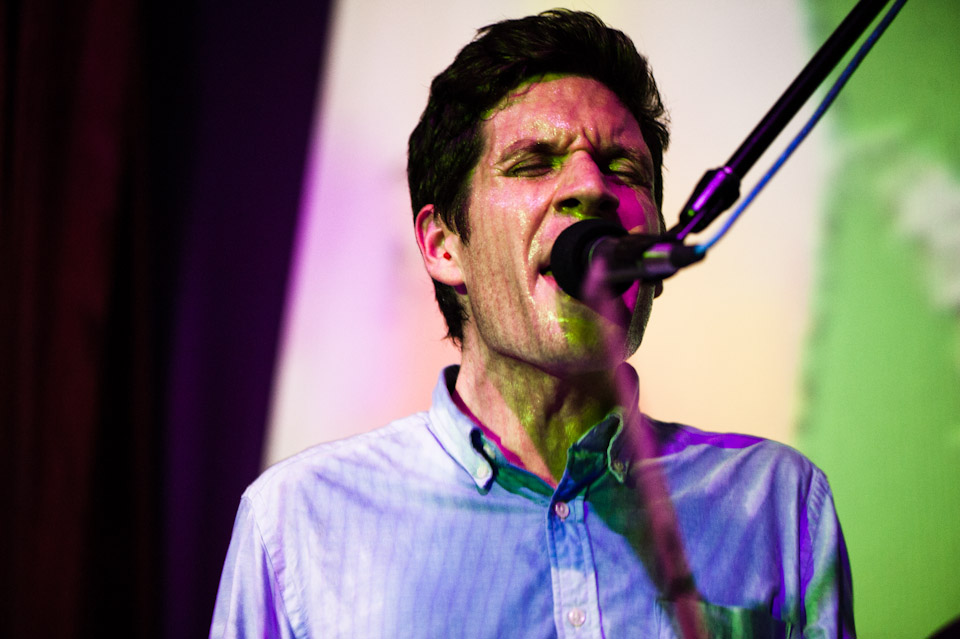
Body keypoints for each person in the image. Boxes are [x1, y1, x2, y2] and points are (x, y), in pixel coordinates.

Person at [210, 10, 854, 638]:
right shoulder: (298, 524)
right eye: (533, 162)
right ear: (442, 245)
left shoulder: (776, 504)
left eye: (622, 168)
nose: (592, 188)